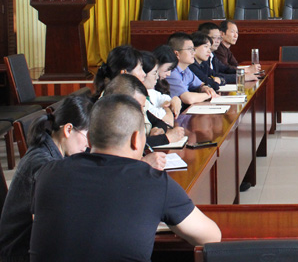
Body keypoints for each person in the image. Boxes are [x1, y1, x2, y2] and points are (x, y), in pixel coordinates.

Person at [29, 95, 221, 261]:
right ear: (136, 139)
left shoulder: (48, 172)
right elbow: (211, 237)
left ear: (89, 139)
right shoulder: (153, 182)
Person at [0, 96, 91, 262]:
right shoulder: (44, 165)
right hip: (18, 253)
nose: (88, 145)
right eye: (87, 135)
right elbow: (47, 227)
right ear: (68, 129)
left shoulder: (47, 150)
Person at [104, 74, 185, 148]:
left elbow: (159, 122)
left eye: (143, 106)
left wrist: (156, 129)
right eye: (138, 106)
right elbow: (129, 145)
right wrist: (167, 138)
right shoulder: (112, 118)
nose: (142, 110)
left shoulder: (141, 106)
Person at [165, 32, 217, 105]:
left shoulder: (186, 70)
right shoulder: (171, 72)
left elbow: (200, 84)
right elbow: (188, 99)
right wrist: (209, 94)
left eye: (193, 49)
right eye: (190, 49)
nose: (194, 53)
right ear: (177, 54)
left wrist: (205, 88)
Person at [140, 51, 176, 126]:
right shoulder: (141, 98)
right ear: (143, 74)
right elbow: (169, 121)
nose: (157, 77)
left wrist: (175, 100)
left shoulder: (150, 92)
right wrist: (167, 108)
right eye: (154, 73)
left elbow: (165, 98)